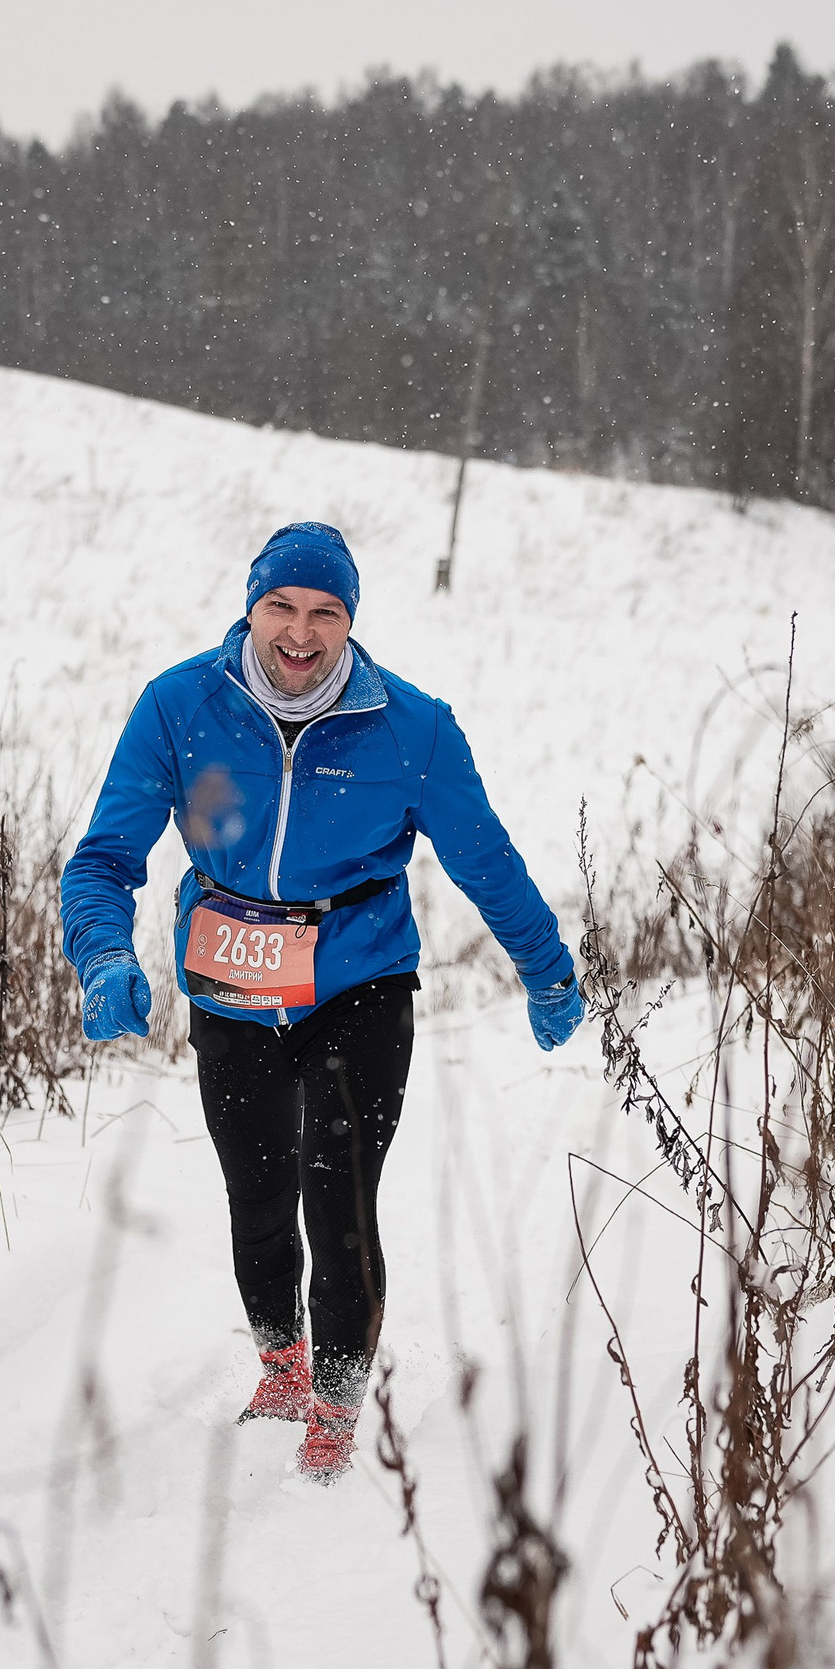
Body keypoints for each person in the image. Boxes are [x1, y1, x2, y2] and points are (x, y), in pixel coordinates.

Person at [58, 521, 583, 1483]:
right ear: (251, 606)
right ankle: (283, 1364)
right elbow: (103, 860)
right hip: (230, 975)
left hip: (358, 976)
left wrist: (545, 967)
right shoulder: (180, 707)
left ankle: (338, 1402)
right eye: (282, 608)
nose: (300, 634)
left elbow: (485, 860)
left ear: (350, 620)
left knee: (337, 1188)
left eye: (324, 613)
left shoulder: (412, 729)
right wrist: (100, 955)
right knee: (256, 1190)